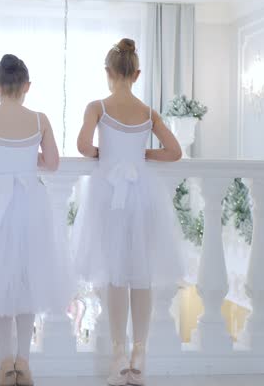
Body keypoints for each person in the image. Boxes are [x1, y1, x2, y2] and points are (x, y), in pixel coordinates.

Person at [72, 38, 185, 386]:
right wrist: (143, 155)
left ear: (108, 73)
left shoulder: (98, 106)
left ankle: (118, 352)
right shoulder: (148, 112)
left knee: (114, 274)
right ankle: (140, 350)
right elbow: (175, 151)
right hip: (142, 195)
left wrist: (104, 155)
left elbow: (81, 145)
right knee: (142, 275)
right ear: (136, 74)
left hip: (108, 194)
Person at [0, 53, 73, 386]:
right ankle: (24, 361)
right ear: (27, 86)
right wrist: (26, 155)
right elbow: (52, 162)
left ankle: (4, 360)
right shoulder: (39, 120)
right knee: (28, 279)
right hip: (30, 205)